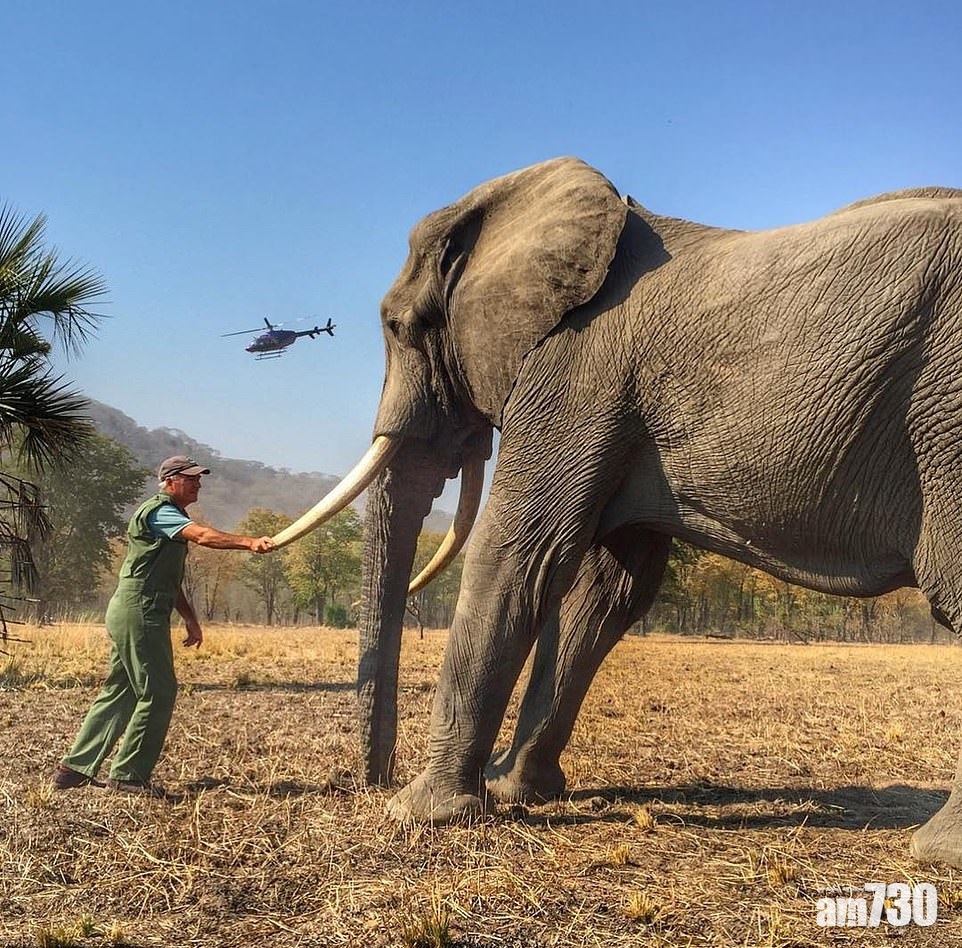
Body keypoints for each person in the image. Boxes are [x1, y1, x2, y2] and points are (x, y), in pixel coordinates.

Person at [52, 455, 276, 797]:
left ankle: (74, 769)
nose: (198, 483)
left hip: (138, 609)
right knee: (158, 690)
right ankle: (128, 776)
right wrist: (249, 542)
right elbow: (203, 536)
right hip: (138, 610)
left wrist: (189, 618)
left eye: (199, 478)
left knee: (121, 689)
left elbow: (169, 579)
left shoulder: (173, 515)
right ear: (170, 481)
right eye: (190, 478)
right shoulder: (159, 511)